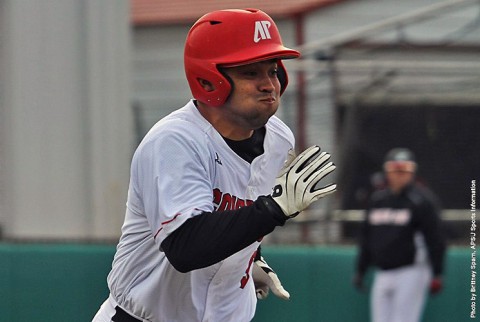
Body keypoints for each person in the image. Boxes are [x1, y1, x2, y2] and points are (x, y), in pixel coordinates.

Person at [92, 8, 337, 322]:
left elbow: (235, 215)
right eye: (251, 73)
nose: (269, 84)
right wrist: (271, 211)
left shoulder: (278, 138)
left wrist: (249, 256)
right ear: (209, 80)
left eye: (273, 70)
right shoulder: (175, 142)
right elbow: (185, 247)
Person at [353, 148, 446, 322]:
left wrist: (437, 272)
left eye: (404, 170)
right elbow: (366, 238)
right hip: (383, 271)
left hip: (411, 271)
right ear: (387, 171)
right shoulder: (377, 200)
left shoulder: (421, 201)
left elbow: (435, 239)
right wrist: (361, 269)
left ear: (412, 172)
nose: (399, 175)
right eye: (395, 169)